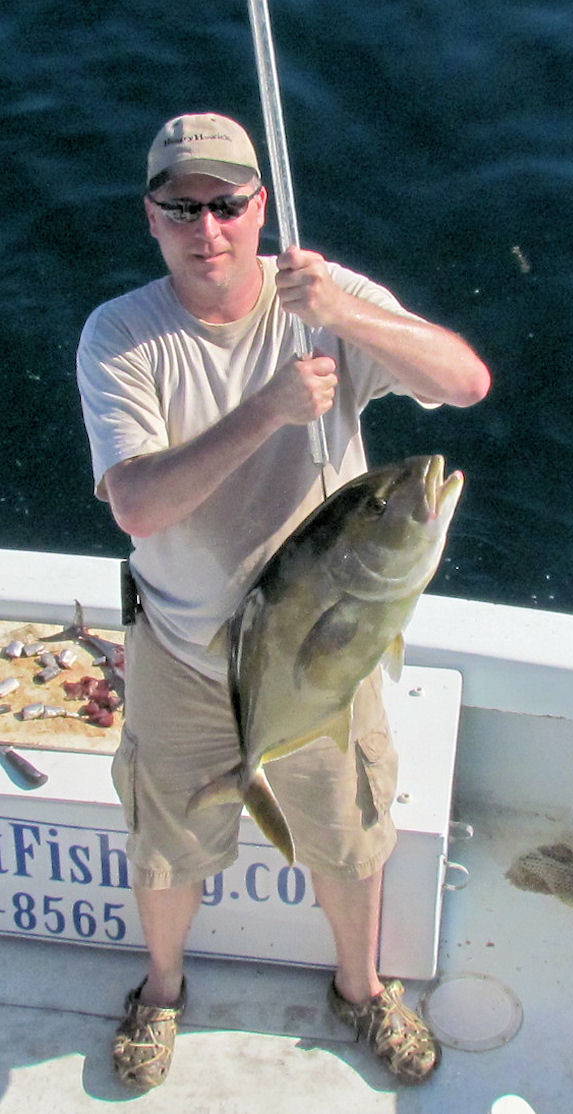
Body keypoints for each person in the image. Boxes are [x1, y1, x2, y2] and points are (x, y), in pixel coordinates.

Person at [77, 112, 491, 1091]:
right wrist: (264, 410)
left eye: (227, 203)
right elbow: (136, 504)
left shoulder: (320, 295)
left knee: (347, 841)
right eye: (183, 206)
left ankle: (362, 986)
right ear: (152, 217)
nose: (207, 227)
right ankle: (162, 990)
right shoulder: (122, 335)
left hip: (322, 647)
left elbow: (464, 383)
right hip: (181, 648)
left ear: (260, 206)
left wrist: (351, 320)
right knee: (168, 846)